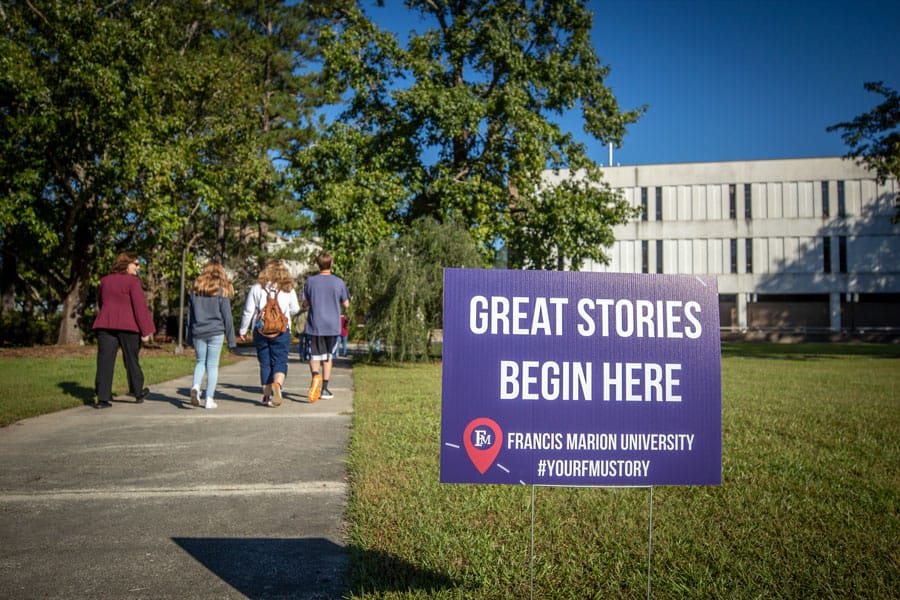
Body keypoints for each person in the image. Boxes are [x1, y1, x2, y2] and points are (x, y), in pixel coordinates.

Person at [92, 252, 156, 408]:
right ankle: (138, 391)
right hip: (129, 325)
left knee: (104, 361)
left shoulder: (105, 281)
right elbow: (139, 307)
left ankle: (103, 398)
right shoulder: (133, 282)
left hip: (105, 324)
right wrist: (146, 331)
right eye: (136, 264)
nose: (138, 267)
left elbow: (101, 302)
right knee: (131, 359)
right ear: (126, 264)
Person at [238, 259, 300, 407]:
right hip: (282, 330)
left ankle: (266, 397)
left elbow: (249, 311)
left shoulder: (256, 288)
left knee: (265, 363)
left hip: (261, 330)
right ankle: (277, 384)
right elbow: (295, 309)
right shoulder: (288, 288)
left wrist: (243, 330)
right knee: (280, 360)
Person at [186, 260, 237, 409]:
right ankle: (209, 398)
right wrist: (231, 339)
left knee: (200, 361)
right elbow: (227, 316)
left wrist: (188, 336)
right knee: (213, 365)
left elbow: (189, 315)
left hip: (198, 331)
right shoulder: (221, 291)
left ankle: (196, 386)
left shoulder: (195, 291)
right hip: (216, 331)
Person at [301, 252, 350, 402]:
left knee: (314, 355)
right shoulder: (338, 282)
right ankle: (325, 389)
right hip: (332, 325)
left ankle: (316, 376)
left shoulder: (310, 282)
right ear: (331, 264)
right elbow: (346, 304)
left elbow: (304, 303)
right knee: (328, 357)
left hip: (315, 324)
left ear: (318, 264)